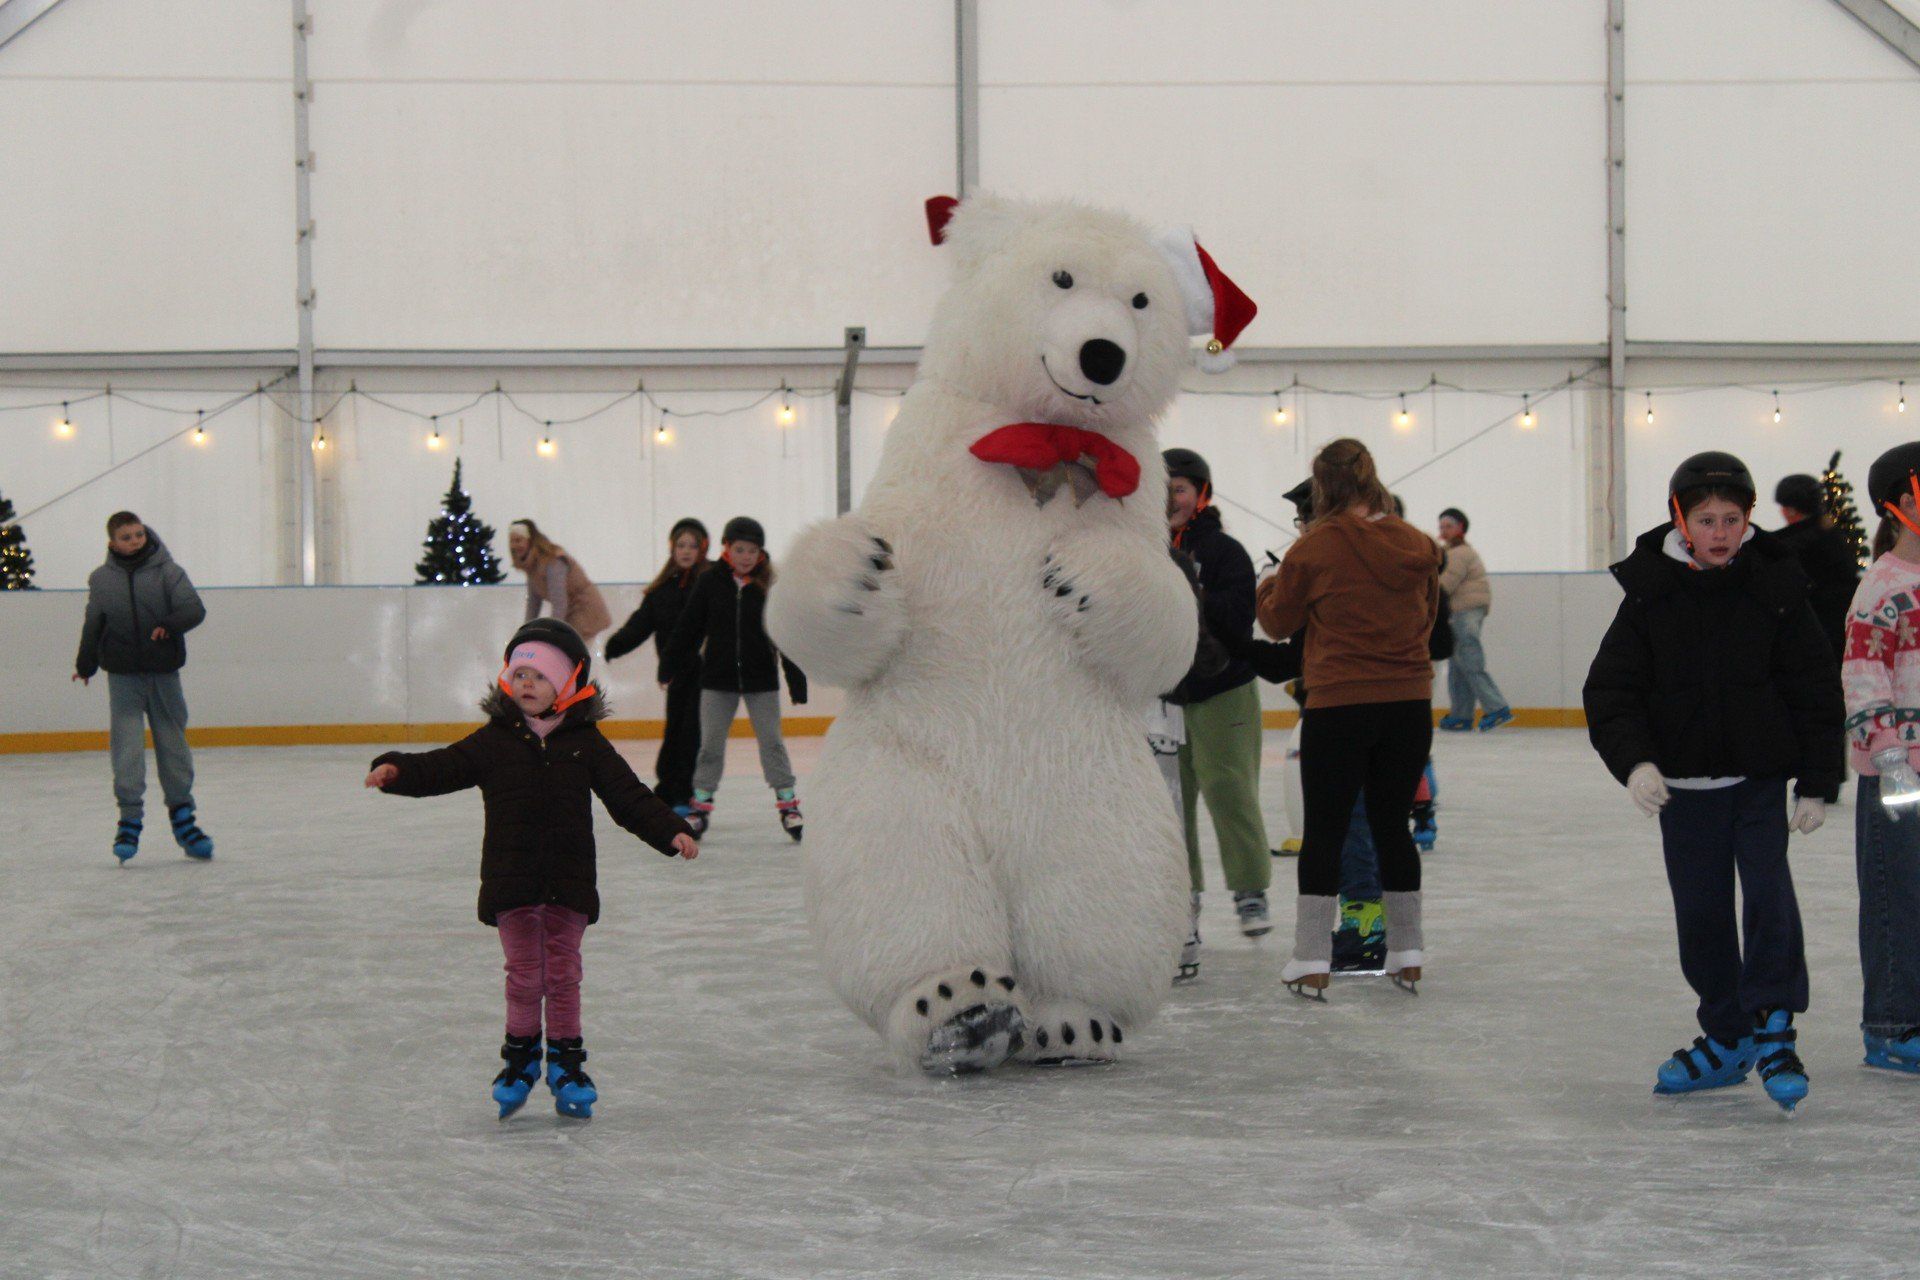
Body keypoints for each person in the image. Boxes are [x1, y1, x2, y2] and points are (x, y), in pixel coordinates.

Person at [1583, 451, 1840, 1113]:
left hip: (1757, 781)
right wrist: (1636, 763)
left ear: (1749, 520)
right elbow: (1612, 691)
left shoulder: (1777, 588)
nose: (1720, 532)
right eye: (1707, 520)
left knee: (1768, 900)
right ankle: (1727, 1036)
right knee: (1700, 914)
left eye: (1732, 518)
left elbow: (1813, 687)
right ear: (1682, 521)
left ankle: (1775, 1029)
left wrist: (1816, 781)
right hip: (1686, 793)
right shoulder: (1651, 595)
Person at [364, 618, 698, 1120]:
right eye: (519, 674)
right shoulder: (494, 741)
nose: (527, 684)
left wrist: (670, 830)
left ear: (567, 684)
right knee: (523, 976)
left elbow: (628, 796)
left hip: (568, 879)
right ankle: (519, 1062)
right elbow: (443, 767)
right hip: (512, 880)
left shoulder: (586, 742)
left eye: (539, 676)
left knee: (562, 975)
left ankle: (566, 1063)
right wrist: (396, 770)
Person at [1257, 439, 1440, 1000]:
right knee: (1392, 827)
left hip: (1339, 703)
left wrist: (1268, 584)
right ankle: (1407, 953)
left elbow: (1275, 620)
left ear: (1321, 488)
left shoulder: (1314, 549)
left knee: (1326, 831)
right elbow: (1428, 619)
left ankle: (1311, 958)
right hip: (1408, 705)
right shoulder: (1418, 544)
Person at [1164, 448, 1274, 938]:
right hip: (1162, 695)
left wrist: (1193, 594)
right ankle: (1181, 900)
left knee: (1229, 790)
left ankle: (1250, 890)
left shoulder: (1224, 552)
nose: (1170, 500)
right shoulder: (1138, 549)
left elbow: (1238, 619)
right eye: (1162, 490)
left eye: (1180, 490)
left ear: (1201, 495)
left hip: (1222, 687)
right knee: (1171, 805)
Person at [1840, 442, 1920, 1075]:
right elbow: (1864, 675)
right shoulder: (1882, 588)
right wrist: (1890, 757)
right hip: (1901, 776)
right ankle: (1891, 1026)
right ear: (1897, 506)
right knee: (1898, 897)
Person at [72, 512, 214, 863]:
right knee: (127, 749)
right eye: (126, 537)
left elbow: (194, 609)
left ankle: (183, 817)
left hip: (163, 673)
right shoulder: (102, 579)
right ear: (112, 543)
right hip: (122, 676)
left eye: (138, 535)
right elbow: (94, 622)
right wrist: (85, 664)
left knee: (173, 744)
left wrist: (170, 623)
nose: (134, 541)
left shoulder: (169, 572)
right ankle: (129, 818)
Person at [663, 516, 808, 842]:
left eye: (752, 551)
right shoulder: (710, 582)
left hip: (761, 681)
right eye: (740, 549)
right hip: (717, 680)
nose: (746, 556)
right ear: (726, 548)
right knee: (710, 745)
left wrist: (796, 682)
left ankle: (788, 805)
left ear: (761, 553)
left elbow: (785, 634)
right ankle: (700, 807)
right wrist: (668, 666)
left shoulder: (770, 585)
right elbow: (689, 628)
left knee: (772, 743)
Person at [606, 518, 712, 814]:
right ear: (672, 548)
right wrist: (616, 644)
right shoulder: (662, 590)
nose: (686, 551)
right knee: (675, 730)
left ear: (703, 548)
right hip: (676, 672)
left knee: (691, 732)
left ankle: (685, 793)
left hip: (707, 672)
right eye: (681, 545)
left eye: (693, 545)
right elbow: (641, 624)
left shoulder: (713, 582)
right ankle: (668, 789)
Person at [1436, 507, 1512, 732]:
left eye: (1449, 526)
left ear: (1461, 528)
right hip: (1459, 611)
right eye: (1441, 527)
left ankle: (1497, 707)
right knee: (1458, 663)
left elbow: (1445, 584)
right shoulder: (1450, 552)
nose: (1444, 530)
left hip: (1466, 611)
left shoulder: (1459, 553)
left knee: (1469, 660)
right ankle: (1461, 714)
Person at [1772, 473, 1860, 666]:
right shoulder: (1831, 537)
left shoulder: (1794, 546)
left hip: (1816, 643)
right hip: (1842, 637)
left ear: (1791, 510)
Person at [509, 519, 612, 646]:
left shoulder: (553, 561)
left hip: (585, 611)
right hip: (571, 614)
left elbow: (559, 603)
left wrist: (551, 635)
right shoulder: (532, 567)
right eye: (512, 541)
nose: (514, 546)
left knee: (575, 658)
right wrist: (524, 634)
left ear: (530, 541)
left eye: (518, 540)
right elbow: (533, 604)